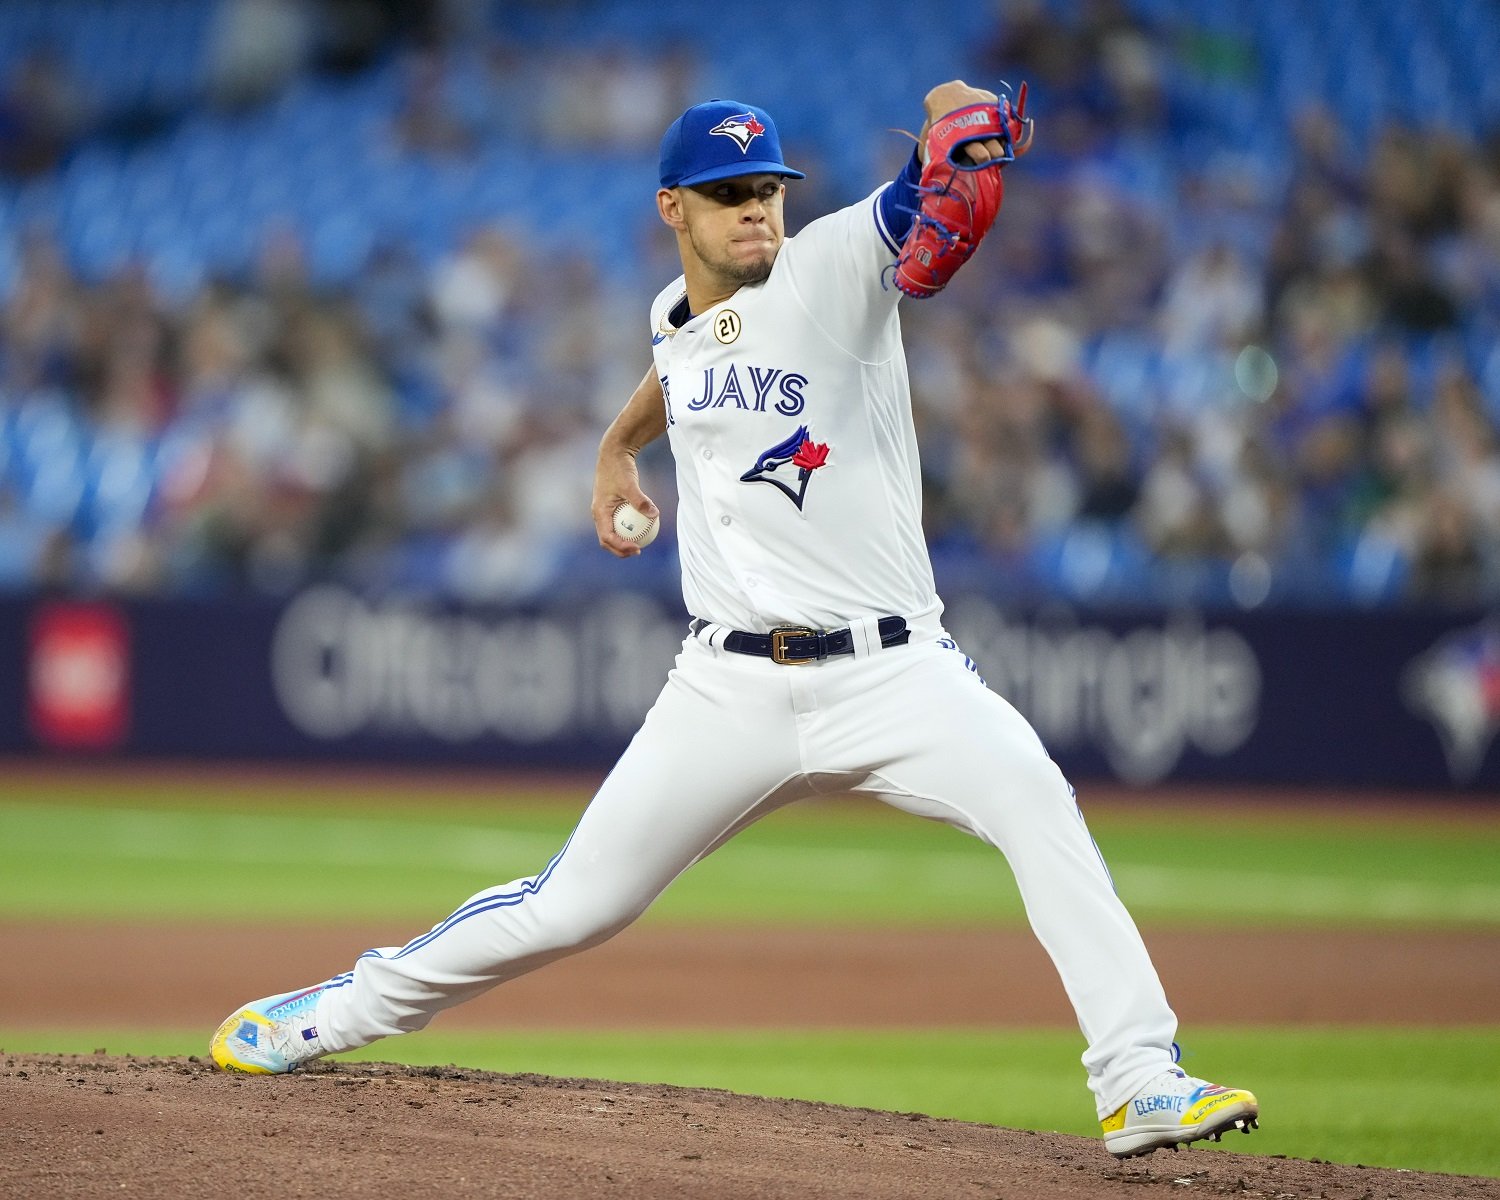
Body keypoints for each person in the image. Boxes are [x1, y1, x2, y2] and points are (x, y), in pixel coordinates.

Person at [210, 81, 1260, 1160]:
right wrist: (617, 446)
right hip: (728, 691)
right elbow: (685, 362)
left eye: (767, 188)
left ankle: (1138, 1080)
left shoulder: (836, 266)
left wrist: (958, 113)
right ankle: (329, 1014)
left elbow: (915, 199)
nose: (757, 209)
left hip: (896, 674)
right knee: (573, 905)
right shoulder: (674, 317)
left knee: (1038, 800)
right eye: (727, 194)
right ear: (675, 210)